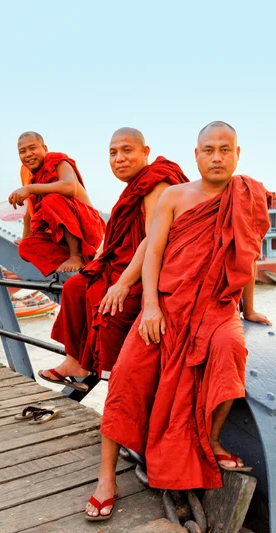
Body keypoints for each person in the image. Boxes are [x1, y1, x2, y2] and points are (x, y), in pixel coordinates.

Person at [86, 121, 272, 520]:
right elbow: (153, 253)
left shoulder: (247, 196)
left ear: (237, 154)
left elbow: (248, 256)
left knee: (232, 350)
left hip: (217, 307)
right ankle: (106, 478)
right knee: (126, 374)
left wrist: (250, 309)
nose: (217, 156)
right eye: (209, 149)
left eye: (225, 149)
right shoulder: (174, 196)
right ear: (197, 155)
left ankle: (211, 441)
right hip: (168, 305)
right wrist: (149, 306)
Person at [38, 127, 188, 390]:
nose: (119, 158)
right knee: (74, 288)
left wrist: (123, 283)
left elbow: (154, 240)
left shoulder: (157, 183)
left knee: (110, 310)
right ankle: (77, 362)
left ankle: (117, 385)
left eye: (127, 150)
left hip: (151, 270)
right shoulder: (134, 187)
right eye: (113, 153)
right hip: (125, 264)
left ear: (145, 152)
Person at [9, 132, 105, 274]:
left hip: (88, 229)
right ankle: (84, 257)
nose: (28, 154)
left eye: (32, 148)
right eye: (22, 151)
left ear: (45, 149)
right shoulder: (30, 176)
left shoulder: (59, 162)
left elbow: (69, 187)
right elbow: (29, 210)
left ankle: (76, 256)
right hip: (61, 237)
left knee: (51, 200)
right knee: (25, 248)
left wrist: (29, 189)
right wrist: (26, 238)